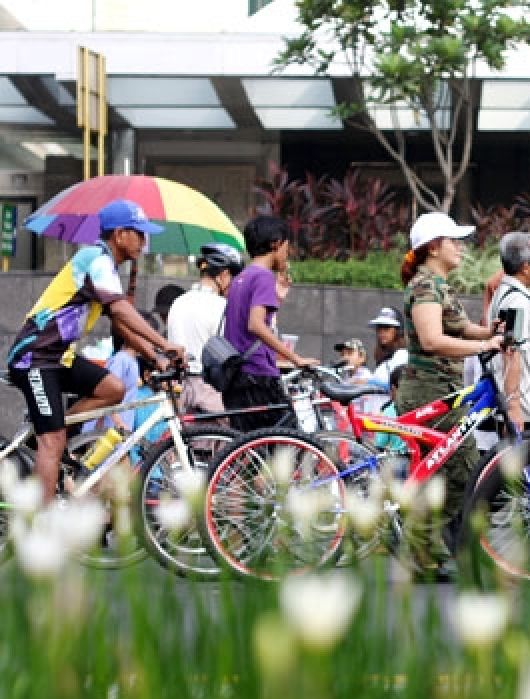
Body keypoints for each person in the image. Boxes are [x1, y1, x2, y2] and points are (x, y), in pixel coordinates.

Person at [7, 199, 185, 501]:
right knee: (53, 441)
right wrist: (165, 343)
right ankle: (39, 526)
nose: (145, 241)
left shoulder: (106, 266)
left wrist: (154, 358)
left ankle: (51, 442)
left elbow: (121, 322)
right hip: (35, 357)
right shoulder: (96, 259)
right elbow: (122, 311)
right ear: (119, 235)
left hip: (58, 358)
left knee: (113, 389)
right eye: (139, 233)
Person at [399, 211, 504, 573]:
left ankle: (424, 552)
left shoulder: (439, 285)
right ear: (432, 247)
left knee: (446, 474)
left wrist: (493, 333)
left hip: (442, 390)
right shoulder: (425, 286)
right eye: (453, 240)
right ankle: (419, 550)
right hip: (429, 390)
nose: (460, 247)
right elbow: (431, 340)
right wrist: (483, 345)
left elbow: (463, 328)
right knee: (463, 471)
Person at [221, 215, 319, 432]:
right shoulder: (264, 277)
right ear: (275, 243)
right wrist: (295, 359)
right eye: (286, 246)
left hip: (237, 379)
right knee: (290, 444)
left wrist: (278, 298)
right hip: (258, 376)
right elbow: (255, 325)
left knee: (251, 450)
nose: (287, 253)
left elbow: (249, 322)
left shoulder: (241, 278)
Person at [167, 242, 244, 414]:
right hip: (209, 390)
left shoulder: (179, 301)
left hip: (180, 388)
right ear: (223, 276)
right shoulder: (222, 306)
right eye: (234, 278)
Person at [487, 232, 530, 436]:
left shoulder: (503, 294)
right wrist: (513, 406)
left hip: (521, 406)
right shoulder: (517, 303)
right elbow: (511, 350)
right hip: (527, 411)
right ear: (525, 267)